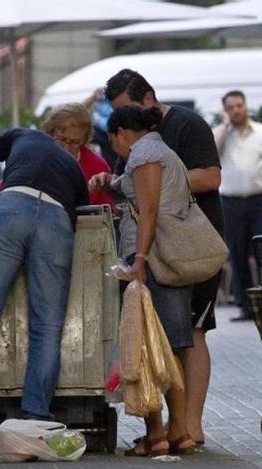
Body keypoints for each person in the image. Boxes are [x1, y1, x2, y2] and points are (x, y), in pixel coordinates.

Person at [105, 69, 222, 447]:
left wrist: (161, 181)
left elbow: (205, 181)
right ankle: (176, 430)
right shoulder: (149, 148)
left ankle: (183, 427)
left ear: (149, 98)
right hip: (161, 251)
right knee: (172, 337)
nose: (127, 120)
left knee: (180, 335)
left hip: (179, 250)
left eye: (128, 112)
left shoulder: (167, 140)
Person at [0, 127, 89, 420]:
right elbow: (82, 212)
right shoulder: (73, 166)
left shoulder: (23, 136)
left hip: (10, 209)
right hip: (56, 220)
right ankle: (36, 415)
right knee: (47, 327)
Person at [89, 105, 197, 456]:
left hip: (151, 263)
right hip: (168, 260)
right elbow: (145, 198)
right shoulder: (164, 152)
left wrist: (139, 259)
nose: (115, 150)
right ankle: (178, 431)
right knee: (170, 346)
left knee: (146, 346)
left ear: (121, 133)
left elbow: (149, 208)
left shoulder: (145, 154)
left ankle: (157, 434)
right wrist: (113, 185)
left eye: (113, 141)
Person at [214, 90, 262, 321]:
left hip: (260, 202)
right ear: (225, 111)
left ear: (246, 106)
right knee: (236, 254)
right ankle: (246, 307)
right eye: (230, 107)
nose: (236, 110)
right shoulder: (223, 136)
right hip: (231, 203)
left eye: (239, 105)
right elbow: (211, 153)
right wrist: (224, 126)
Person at [42, 103, 114, 207]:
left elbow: (105, 212)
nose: (66, 148)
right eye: (61, 139)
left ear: (84, 141)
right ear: (51, 133)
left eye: (75, 142)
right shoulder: (39, 159)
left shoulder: (98, 167)